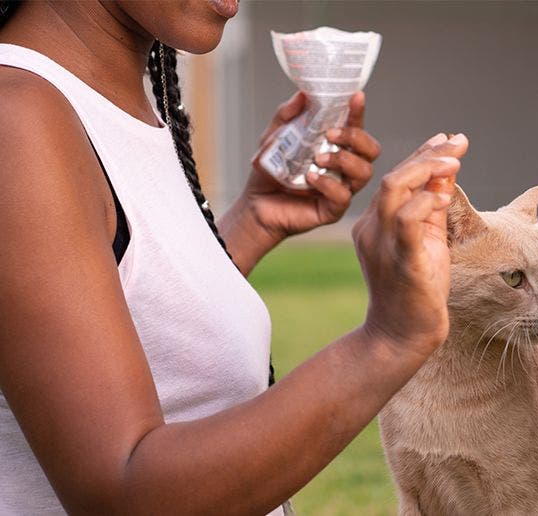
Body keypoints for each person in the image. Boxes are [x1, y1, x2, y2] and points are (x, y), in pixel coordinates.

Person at [0, 1, 468, 513]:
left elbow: (132, 315)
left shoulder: (107, 98)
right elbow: (124, 488)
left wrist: (252, 221)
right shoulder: (19, 121)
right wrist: (387, 341)